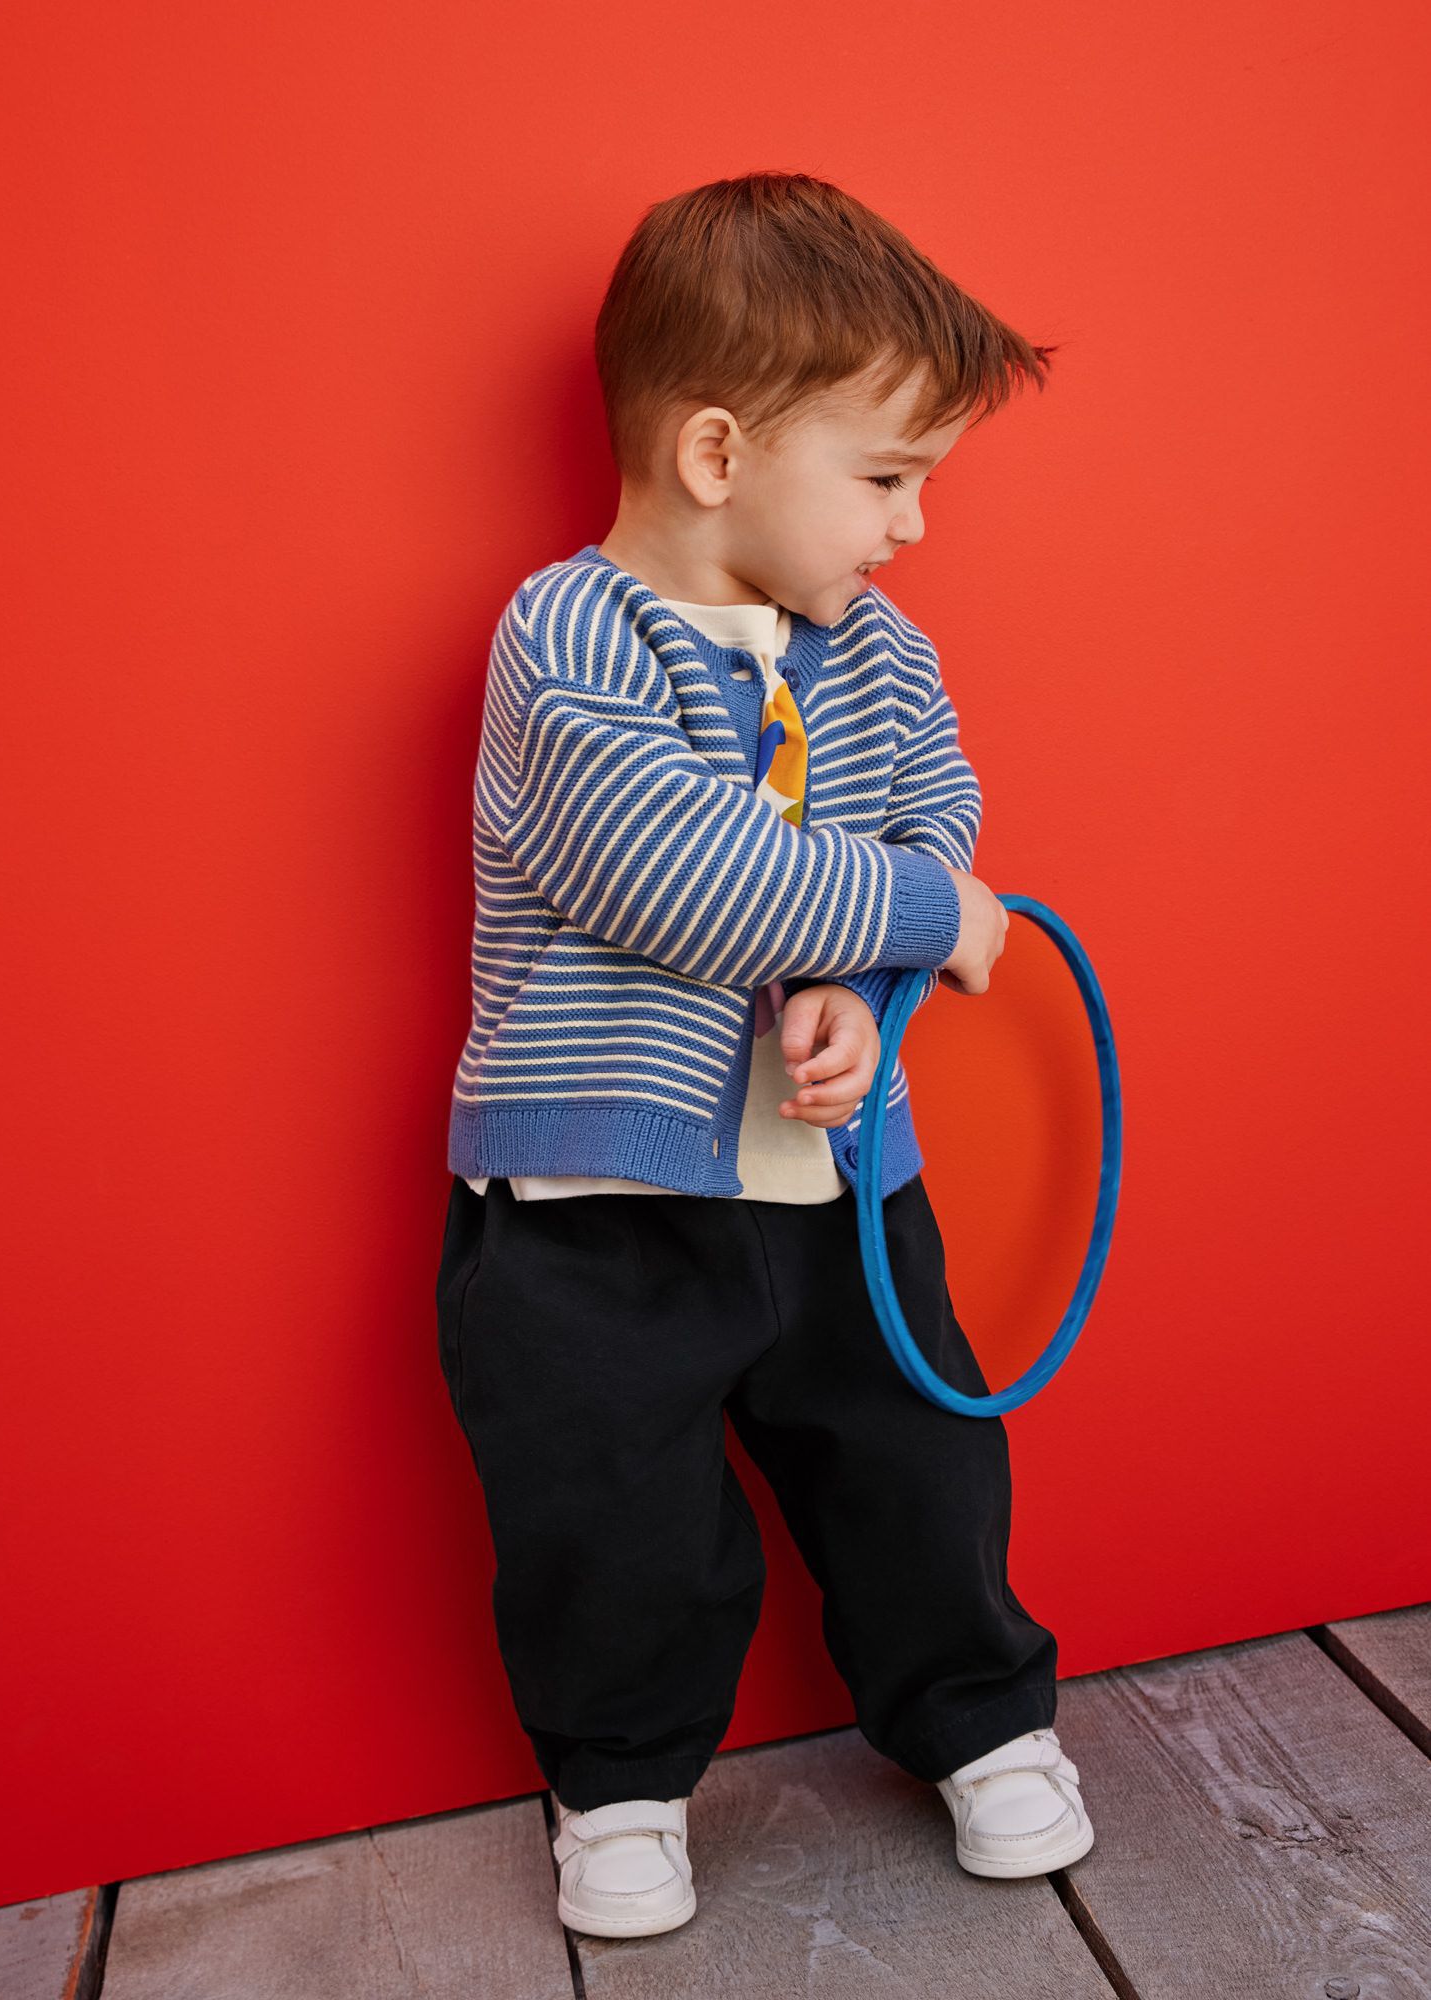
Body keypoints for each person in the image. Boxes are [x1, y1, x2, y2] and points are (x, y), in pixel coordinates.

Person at [434, 170, 1093, 1941]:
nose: (914, 526)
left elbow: (933, 808)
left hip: (836, 1185)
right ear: (718, 454)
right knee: (610, 1511)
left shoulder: (881, 653)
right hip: (597, 1211)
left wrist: (867, 988)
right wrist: (933, 918)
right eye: (887, 479)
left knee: (916, 1465)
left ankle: (985, 1720)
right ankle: (620, 1783)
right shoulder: (568, 636)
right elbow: (685, 873)